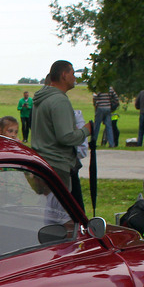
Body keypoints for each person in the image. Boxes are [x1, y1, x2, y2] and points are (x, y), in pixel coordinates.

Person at [30, 60, 91, 206]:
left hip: (42, 163)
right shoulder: (59, 100)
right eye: (72, 73)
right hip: (57, 165)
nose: (75, 78)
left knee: (48, 210)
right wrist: (86, 131)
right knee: (61, 216)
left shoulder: (41, 98)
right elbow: (66, 137)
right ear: (64, 75)